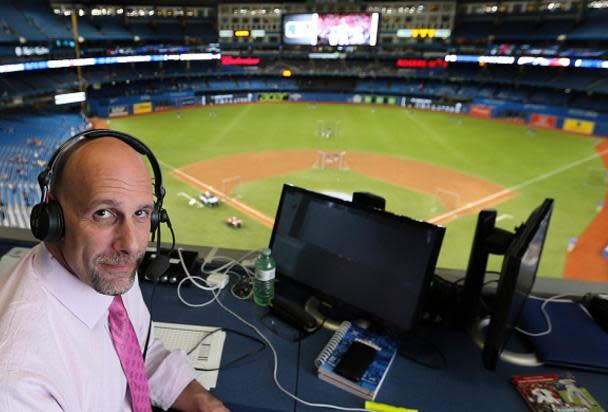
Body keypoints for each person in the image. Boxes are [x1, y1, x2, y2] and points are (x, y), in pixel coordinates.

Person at [0, 135, 229, 412]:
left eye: (142, 213)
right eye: (104, 213)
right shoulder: (17, 383)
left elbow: (141, 353)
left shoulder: (104, 268)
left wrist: (202, 402)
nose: (130, 245)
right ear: (52, 218)